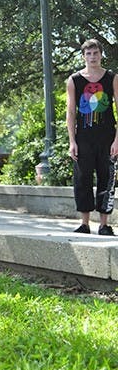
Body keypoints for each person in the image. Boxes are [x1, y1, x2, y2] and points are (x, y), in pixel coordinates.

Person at [66, 39, 118, 235]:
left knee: (107, 179)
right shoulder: (74, 80)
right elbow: (71, 112)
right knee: (82, 179)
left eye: (95, 53)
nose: (92, 57)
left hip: (108, 138)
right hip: (83, 139)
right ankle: (85, 223)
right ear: (83, 56)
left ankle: (104, 225)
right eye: (88, 53)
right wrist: (72, 141)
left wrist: (117, 140)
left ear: (101, 55)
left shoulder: (112, 78)